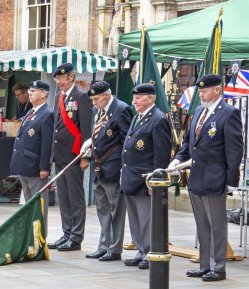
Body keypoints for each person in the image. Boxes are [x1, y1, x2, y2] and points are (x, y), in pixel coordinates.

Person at [169, 74, 243, 282]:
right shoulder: (199, 111)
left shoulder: (229, 113)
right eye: (199, 90)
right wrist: (178, 160)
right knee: (202, 225)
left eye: (204, 90)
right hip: (196, 178)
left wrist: (231, 180)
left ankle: (218, 267)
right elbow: (188, 143)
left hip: (215, 178)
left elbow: (234, 150)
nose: (200, 93)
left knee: (217, 225)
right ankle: (204, 265)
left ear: (217, 90)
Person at [81, 81, 133, 261]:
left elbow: (127, 141)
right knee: (102, 209)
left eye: (96, 99)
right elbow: (96, 135)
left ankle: (115, 248)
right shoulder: (98, 110)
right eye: (92, 100)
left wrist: (123, 168)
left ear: (106, 95)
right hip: (98, 166)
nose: (94, 103)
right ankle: (103, 245)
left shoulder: (121, 109)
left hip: (113, 166)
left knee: (116, 210)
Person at [121, 83, 171, 270]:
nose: (134, 102)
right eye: (134, 98)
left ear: (150, 98)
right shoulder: (138, 117)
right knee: (135, 218)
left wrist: (155, 181)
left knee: (146, 219)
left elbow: (162, 153)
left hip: (145, 179)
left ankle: (150, 252)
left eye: (138, 98)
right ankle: (141, 250)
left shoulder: (158, 119)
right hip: (131, 177)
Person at [48, 63, 92, 251]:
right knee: (63, 196)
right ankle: (66, 233)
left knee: (75, 197)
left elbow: (87, 128)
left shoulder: (82, 96)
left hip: (75, 154)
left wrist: (86, 156)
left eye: (62, 78)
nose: (59, 82)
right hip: (60, 154)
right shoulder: (59, 97)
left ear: (71, 77)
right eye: (57, 79)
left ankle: (76, 236)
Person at [10, 80, 53, 232]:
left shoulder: (47, 114)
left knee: (39, 203)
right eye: (30, 90)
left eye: (33, 91)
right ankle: (30, 234)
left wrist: (44, 166)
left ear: (44, 94)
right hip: (24, 164)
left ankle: (40, 236)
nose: (30, 93)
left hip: (35, 166)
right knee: (29, 203)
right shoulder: (31, 111)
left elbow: (47, 143)